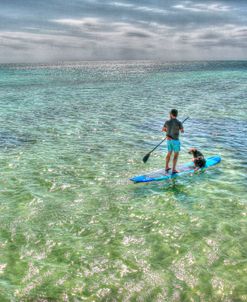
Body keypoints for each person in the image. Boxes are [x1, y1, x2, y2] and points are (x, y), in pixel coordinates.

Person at [162, 109, 184, 173]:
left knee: (169, 153)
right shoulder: (179, 122)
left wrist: (168, 133)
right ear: (176, 114)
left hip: (169, 140)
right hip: (175, 141)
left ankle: (166, 166)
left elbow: (163, 129)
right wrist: (179, 128)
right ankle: (174, 169)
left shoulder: (167, 122)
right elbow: (182, 131)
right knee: (176, 155)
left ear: (171, 114)